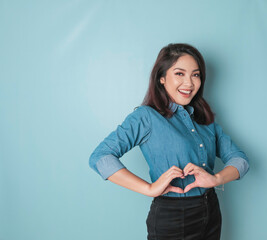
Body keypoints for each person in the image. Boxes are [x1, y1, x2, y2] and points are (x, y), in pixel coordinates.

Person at [89, 43, 250, 240]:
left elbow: (240, 160)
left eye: (196, 75)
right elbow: (100, 157)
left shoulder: (205, 121)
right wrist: (149, 188)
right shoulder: (146, 117)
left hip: (211, 210)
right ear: (162, 78)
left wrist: (216, 179)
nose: (189, 83)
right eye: (180, 74)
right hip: (173, 217)